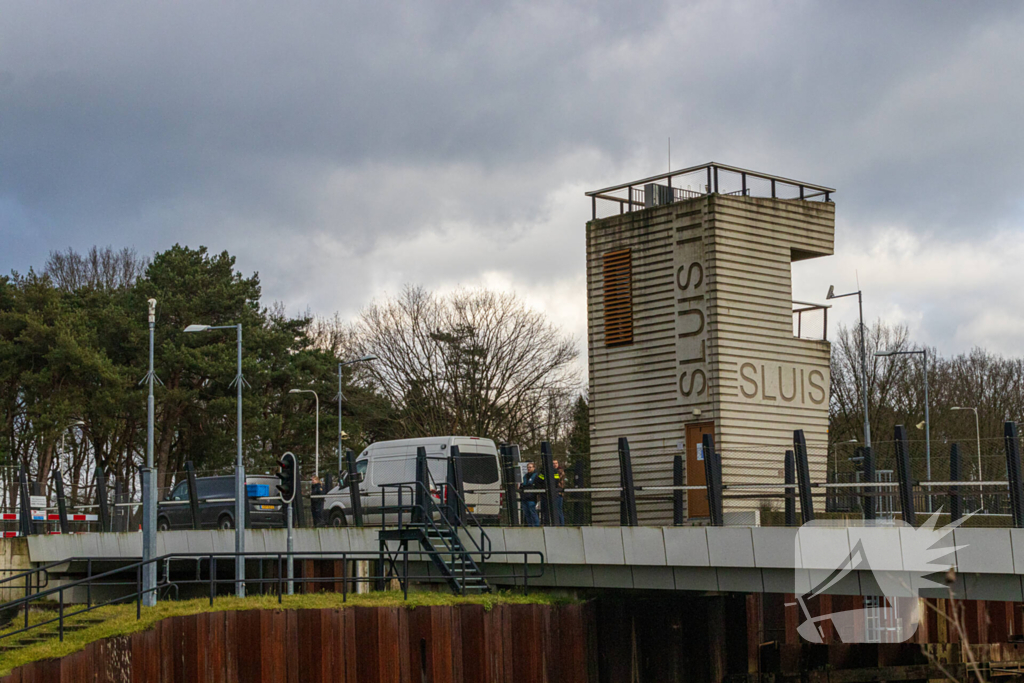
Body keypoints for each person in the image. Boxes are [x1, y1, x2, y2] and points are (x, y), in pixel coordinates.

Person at [519, 462, 540, 526]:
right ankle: (530, 526)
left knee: (533, 513)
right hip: (524, 497)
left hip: (531, 498)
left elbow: (537, 486)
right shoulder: (525, 476)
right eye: (528, 467)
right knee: (527, 513)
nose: (529, 469)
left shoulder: (536, 476)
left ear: (534, 468)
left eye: (530, 467)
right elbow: (522, 485)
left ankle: (536, 526)